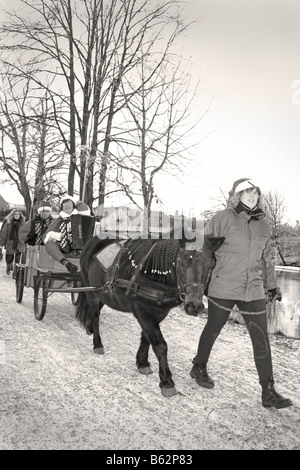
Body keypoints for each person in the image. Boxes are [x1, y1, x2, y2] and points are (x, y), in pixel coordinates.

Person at [190, 178, 293, 409]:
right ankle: (198, 366)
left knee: (261, 338)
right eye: (247, 192)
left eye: (255, 193)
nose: (252, 196)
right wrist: (199, 283)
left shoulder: (263, 225)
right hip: (224, 285)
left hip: (253, 289)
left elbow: (267, 259)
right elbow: (203, 251)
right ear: (237, 195)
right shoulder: (223, 218)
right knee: (213, 329)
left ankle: (268, 391)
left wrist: (271, 285)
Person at [43, 195, 91, 274]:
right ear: (62, 207)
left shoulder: (83, 218)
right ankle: (67, 264)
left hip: (82, 251)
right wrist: (54, 235)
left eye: (69, 203)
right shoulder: (59, 219)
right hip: (63, 249)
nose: (67, 205)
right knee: (49, 244)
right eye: (64, 204)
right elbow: (45, 236)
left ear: (73, 205)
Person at [0, 209, 26, 275]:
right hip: (10, 243)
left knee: (17, 259)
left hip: (20, 243)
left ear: (20, 216)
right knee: (9, 258)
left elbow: (25, 233)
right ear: (12, 215)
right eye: (15, 214)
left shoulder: (23, 224)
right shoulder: (8, 223)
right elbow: (4, 234)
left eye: (18, 214)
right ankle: (9, 266)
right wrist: (2, 243)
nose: (16, 215)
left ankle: (15, 272)